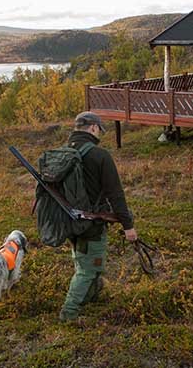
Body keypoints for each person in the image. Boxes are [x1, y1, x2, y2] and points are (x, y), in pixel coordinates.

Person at [59, 111, 137, 322]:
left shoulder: (63, 153)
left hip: (68, 222)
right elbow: (116, 194)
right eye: (99, 130)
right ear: (93, 127)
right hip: (92, 224)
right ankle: (69, 312)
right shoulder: (100, 155)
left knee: (84, 262)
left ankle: (90, 299)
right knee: (87, 269)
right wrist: (128, 226)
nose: (99, 133)